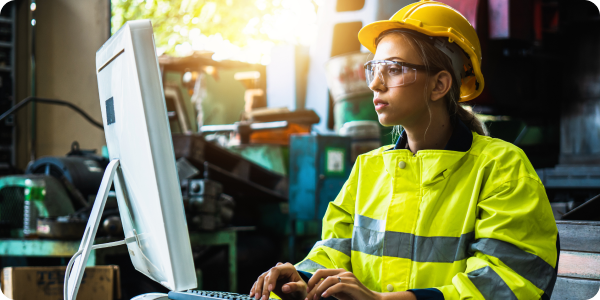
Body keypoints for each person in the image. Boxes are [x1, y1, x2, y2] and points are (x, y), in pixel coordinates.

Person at [249, 1, 559, 299]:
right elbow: (334, 253)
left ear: (439, 85)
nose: (375, 84)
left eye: (394, 68)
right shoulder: (368, 169)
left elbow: (505, 283)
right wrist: (302, 281)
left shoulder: (502, 168)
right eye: (375, 68)